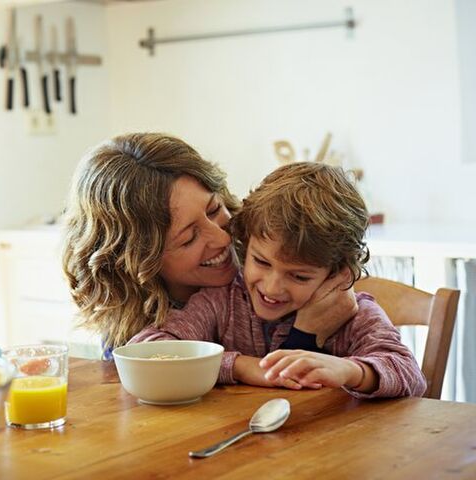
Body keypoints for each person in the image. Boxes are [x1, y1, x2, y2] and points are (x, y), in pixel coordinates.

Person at [62, 133, 356, 374]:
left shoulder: (267, 272)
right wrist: (302, 337)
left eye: (215, 209)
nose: (222, 237)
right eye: (189, 238)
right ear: (138, 260)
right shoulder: (137, 335)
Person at [130, 162, 427, 398]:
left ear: (338, 274)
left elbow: (410, 376)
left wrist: (352, 371)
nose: (272, 287)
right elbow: (148, 348)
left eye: (299, 276)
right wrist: (242, 366)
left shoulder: (355, 314)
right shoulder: (222, 302)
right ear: (245, 244)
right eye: (261, 262)